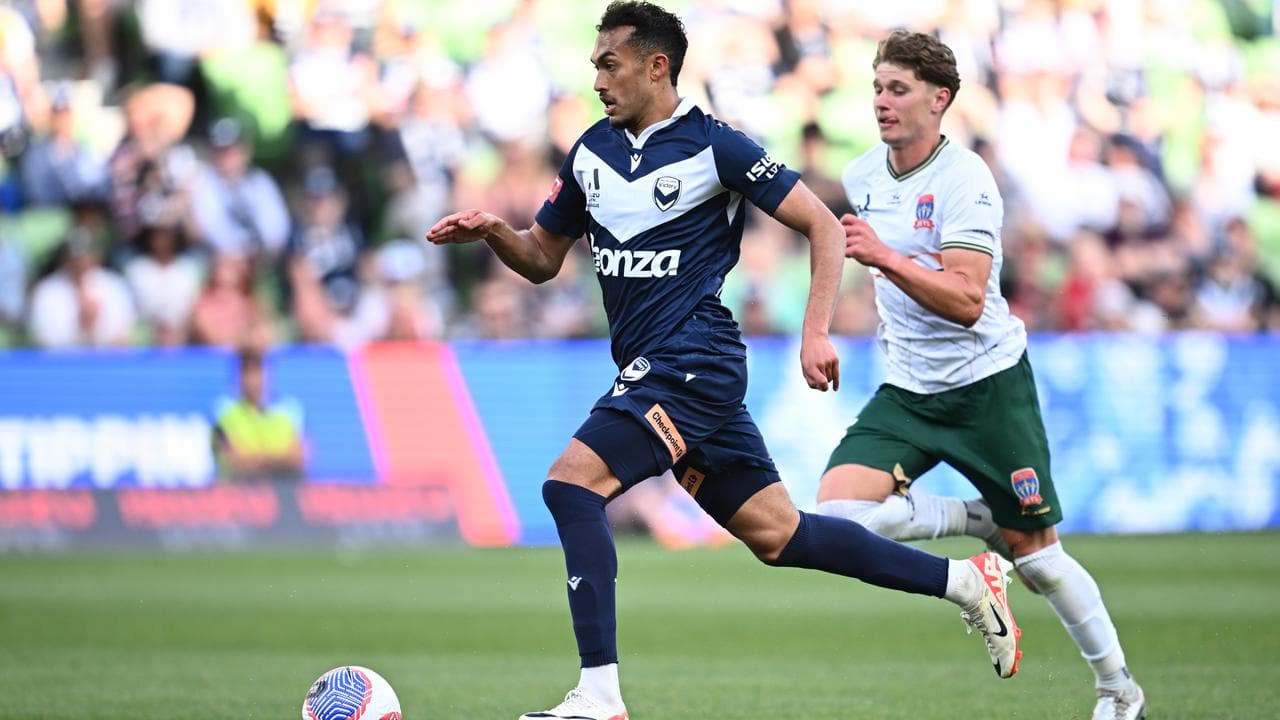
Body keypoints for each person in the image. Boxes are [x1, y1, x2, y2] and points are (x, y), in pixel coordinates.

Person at [427, 5, 1021, 719]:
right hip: (659, 370)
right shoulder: (589, 153)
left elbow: (823, 225)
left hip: (693, 361)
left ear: (656, 67)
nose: (597, 80)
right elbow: (541, 259)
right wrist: (496, 231)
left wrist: (815, 331)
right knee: (780, 535)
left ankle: (599, 695)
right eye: (594, 66)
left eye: (609, 64)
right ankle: (966, 581)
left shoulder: (717, 147)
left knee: (570, 485)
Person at [815, 31, 1145, 720]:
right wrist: (819, 329)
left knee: (1039, 562)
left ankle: (1119, 690)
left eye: (898, 89)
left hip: (987, 386)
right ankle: (975, 518)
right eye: (877, 88)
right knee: (835, 520)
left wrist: (886, 257)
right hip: (909, 390)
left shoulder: (965, 180)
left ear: (939, 99)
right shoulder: (862, 174)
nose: (882, 102)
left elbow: (968, 300)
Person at [212, 347, 305, 482]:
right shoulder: (225, 413)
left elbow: (298, 457)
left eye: (258, 373)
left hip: (281, 487)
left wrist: (258, 460)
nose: (253, 381)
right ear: (238, 378)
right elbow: (237, 461)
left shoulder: (287, 411)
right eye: (247, 374)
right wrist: (278, 459)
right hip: (240, 489)